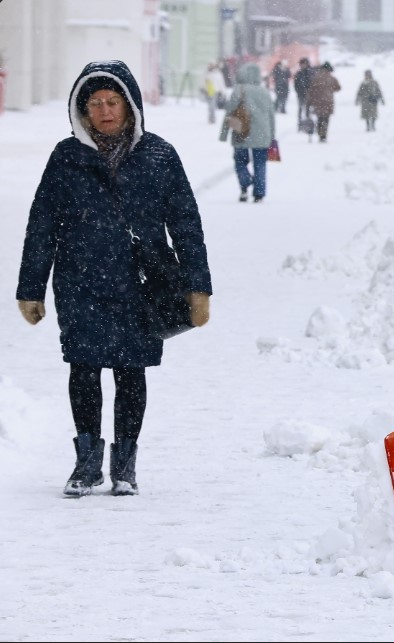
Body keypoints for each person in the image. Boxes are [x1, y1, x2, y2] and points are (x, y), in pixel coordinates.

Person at [15, 60, 213, 497]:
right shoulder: (66, 157)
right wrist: (31, 288)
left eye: (113, 101)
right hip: (79, 281)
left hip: (141, 284)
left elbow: (186, 223)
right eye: (95, 103)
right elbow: (42, 224)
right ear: (82, 110)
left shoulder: (159, 155)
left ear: (130, 105)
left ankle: (125, 466)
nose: (105, 111)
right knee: (83, 369)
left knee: (130, 371)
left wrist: (198, 287)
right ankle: (87, 465)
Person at [220, 61, 275, 203]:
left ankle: (245, 184)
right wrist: (272, 135)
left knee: (240, 161)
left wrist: (224, 134)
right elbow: (271, 115)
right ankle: (259, 193)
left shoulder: (238, 90)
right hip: (262, 134)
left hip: (241, 132)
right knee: (260, 163)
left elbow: (229, 113)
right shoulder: (264, 92)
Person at [306, 62, 341, 143]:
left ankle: (320, 132)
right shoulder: (332, 78)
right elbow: (338, 88)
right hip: (328, 102)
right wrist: (330, 90)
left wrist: (309, 101)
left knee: (320, 118)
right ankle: (323, 135)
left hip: (318, 102)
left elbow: (311, 90)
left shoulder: (316, 78)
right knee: (326, 119)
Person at [293, 57, 313, 131]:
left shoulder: (310, 72)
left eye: (303, 64)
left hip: (308, 94)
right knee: (301, 109)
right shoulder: (299, 73)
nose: (302, 65)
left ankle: (308, 124)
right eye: (301, 64)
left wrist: (309, 90)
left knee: (307, 110)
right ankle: (300, 124)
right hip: (301, 94)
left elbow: (312, 83)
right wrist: (298, 91)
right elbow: (296, 84)